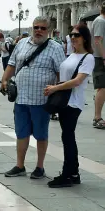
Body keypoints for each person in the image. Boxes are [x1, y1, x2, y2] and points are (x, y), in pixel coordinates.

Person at [0, 17, 65, 180]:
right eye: (36, 27)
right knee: (21, 133)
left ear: (48, 31)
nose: (39, 31)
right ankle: (20, 165)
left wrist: (58, 93)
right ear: (32, 28)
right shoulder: (22, 44)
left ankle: (39, 167)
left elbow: (60, 73)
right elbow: (12, 64)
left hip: (41, 100)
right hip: (21, 98)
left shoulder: (55, 48)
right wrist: (4, 79)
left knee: (41, 134)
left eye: (43, 28)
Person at [43, 24, 94, 188]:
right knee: (67, 137)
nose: (72, 38)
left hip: (73, 102)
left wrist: (55, 88)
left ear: (84, 38)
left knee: (68, 137)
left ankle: (68, 174)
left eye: (76, 35)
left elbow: (78, 81)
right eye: (71, 35)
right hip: (64, 101)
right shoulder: (71, 55)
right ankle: (73, 173)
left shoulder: (88, 57)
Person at [92, 2, 105, 129]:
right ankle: (97, 117)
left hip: (100, 57)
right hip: (99, 58)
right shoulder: (101, 21)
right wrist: (104, 57)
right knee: (102, 87)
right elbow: (98, 41)